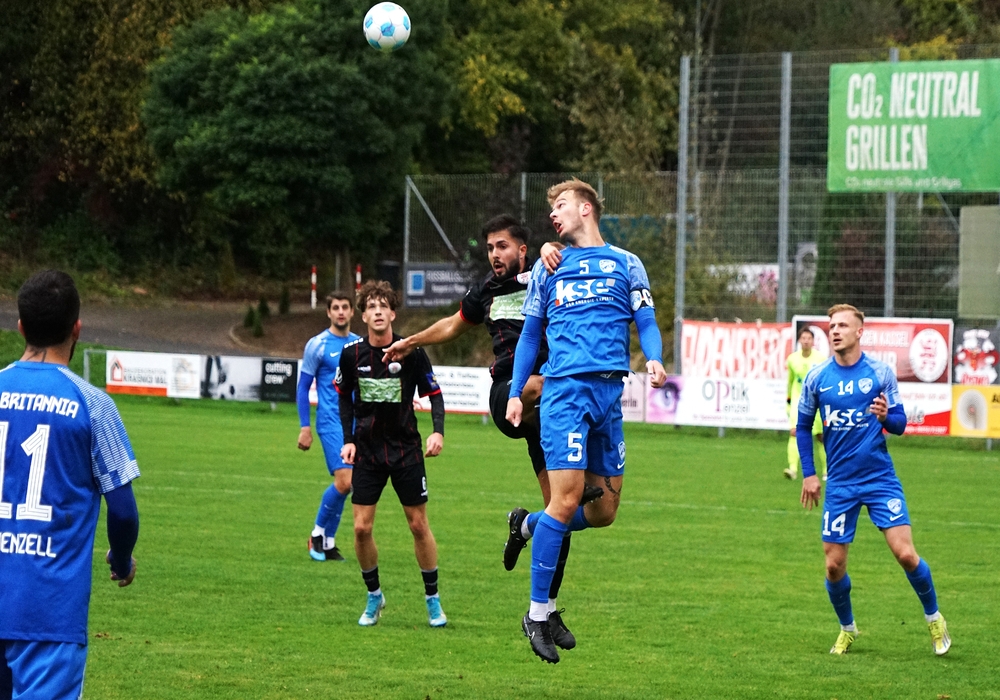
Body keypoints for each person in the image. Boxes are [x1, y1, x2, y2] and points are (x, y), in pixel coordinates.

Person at [383, 215, 599, 649]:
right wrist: (412, 341)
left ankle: (545, 598)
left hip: (549, 418)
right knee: (548, 384)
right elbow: (452, 324)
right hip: (510, 395)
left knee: (562, 512)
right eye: (489, 248)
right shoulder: (486, 290)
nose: (494, 255)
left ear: (523, 249)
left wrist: (552, 251)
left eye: (502, 246)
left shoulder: (548, 273)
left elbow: (581, 259)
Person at [504, 179, 667, 663]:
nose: (553, 214)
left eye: (561, 205)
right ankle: (537, 614)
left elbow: (646, 320)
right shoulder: (549, 265)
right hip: (565, 394)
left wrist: (654, 357)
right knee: (566, 500)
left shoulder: (627, 263)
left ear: (586, 208)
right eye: (551, 209)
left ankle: (526, 526)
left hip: (608, 396)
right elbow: (530, 335)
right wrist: (515, 393)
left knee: (604, 512)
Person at [0, 270, 140, 699]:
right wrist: (121, 559)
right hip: (48, 611)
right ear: (77, 328)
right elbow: (123, 511)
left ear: (20, 327)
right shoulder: (94, 405)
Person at [797, 304, 951, 656]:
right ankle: (847, 628)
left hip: (880, 479)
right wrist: (809, 473)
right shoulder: (817, 378)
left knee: (906, 554)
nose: (835, 331)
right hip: (840, 483)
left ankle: (934, 618)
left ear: (859, 331)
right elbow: (803, 427)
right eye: (832, 326)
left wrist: (885, 418)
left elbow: (900, 423)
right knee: (833, 565)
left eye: (842, 325)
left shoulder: (880, 373)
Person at [335, 280, 447, 627]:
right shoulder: (351, 355)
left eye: (384, 306)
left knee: (418, 524)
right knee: (360, 528)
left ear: (393, 314)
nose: (378, 311)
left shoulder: (411, 351)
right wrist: (348, 439)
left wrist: (438, 431)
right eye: (371, 306)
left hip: (405, 450)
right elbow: (344, 397)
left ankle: (432, 600)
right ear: (363, 316)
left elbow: (434, 393)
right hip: (367, 452)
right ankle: (374, 596)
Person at [297, 291, 361, 562]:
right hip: (330, 421)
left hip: (356, 423)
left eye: (345, 307)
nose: (341, 312)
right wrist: (305, 426)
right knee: (345, 481)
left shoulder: (359, 344)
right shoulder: (318, 345)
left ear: (352, 311)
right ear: (328, 312)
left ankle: (329, 542)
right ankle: (317, 534)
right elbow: (303, 387)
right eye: (336, 308)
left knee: (348, 484)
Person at [784, 326, 827, 480]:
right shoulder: (792, 359)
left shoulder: (821, 359)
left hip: (816, 402)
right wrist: (788, 400)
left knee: (820, 436)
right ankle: (793, 469)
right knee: (794, 433)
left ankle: (826, 471)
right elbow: (790, 381)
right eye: (803, 338)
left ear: (813, 341)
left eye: (809, 338)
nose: (806, 341)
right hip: (798, 401)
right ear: (799, 341)